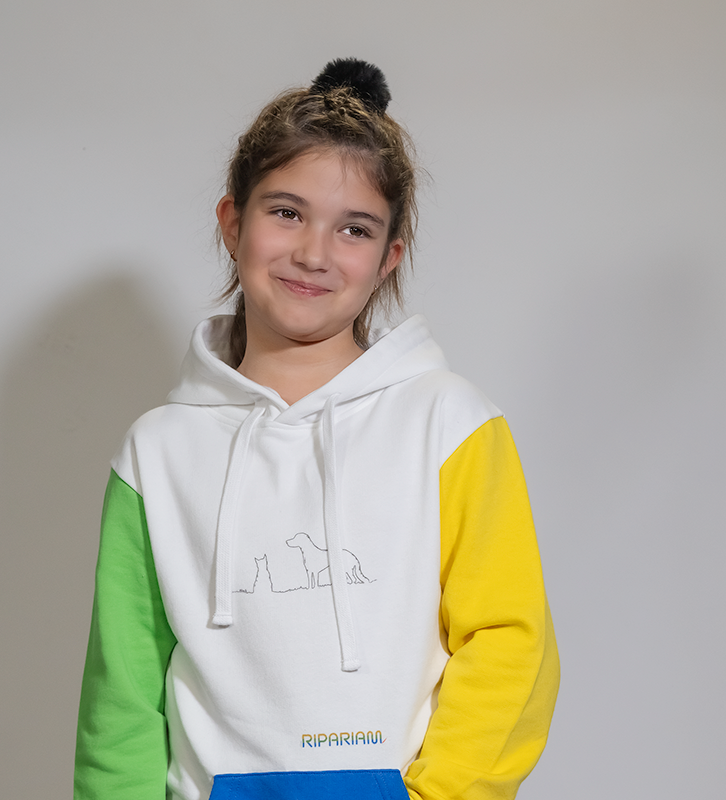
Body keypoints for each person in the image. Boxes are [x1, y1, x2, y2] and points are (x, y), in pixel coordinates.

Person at [74, 58, 560, 800]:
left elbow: (509, 642)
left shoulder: (451, 423)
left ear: (388, 258)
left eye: (353, 229)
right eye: (286, 212)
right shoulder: (157, 453)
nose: (313, 253)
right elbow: (124, 689)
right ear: (232, 222)